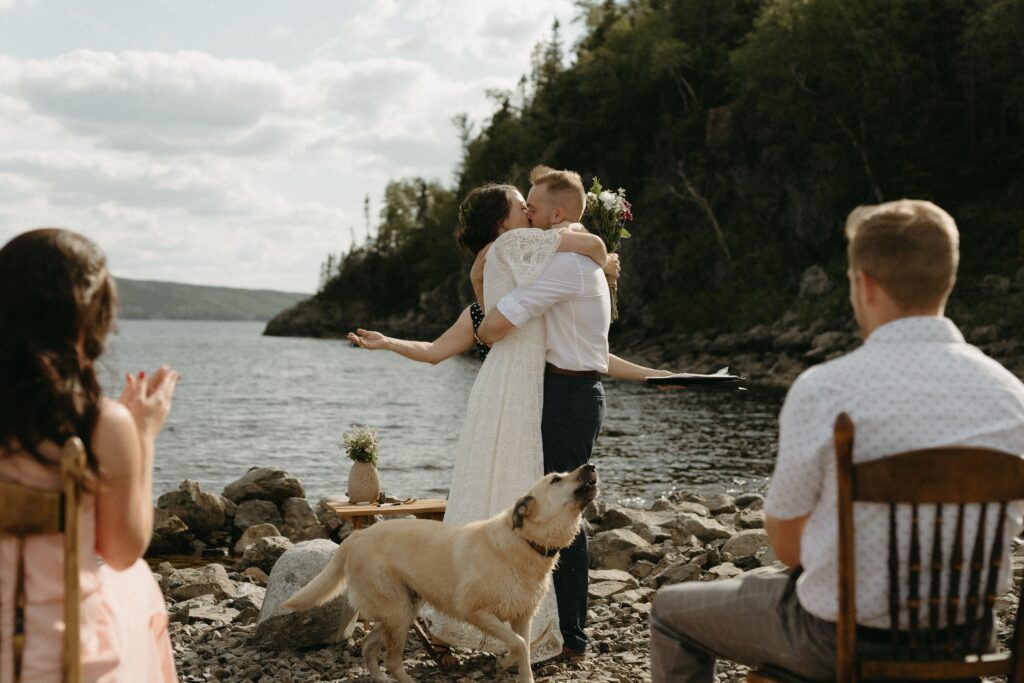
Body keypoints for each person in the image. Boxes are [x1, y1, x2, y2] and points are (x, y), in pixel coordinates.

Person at [648, 199, 1024, 682]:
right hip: (964, 641)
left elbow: (787, 547)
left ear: (863, 284)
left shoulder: (827, 389)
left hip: (835, 639)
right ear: (948, 279)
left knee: (670, 610)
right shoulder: (1011, 398)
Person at [0, 228, 180, 682]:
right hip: (59, 661)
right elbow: (121, 551)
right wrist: (142, 433)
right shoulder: (99, 423)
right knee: (136, 581)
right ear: (85, 319)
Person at [476, 165, 620, 659]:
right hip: (572, 393)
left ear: (556, 213)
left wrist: (480, 325)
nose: (529, 215)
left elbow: (500, 324)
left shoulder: (563, 264)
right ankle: (560, 627)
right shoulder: (574, 255)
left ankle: (571, 635)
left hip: (566, 397)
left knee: (563, 516)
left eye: (533, 208)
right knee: (560, 510)